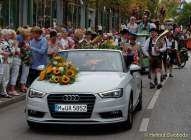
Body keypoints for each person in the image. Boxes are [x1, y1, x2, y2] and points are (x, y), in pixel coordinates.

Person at [142, 24, 166, 89]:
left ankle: (158, 83)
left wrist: (159, 50)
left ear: (156, 33)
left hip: (158, 57)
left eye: (153, 32)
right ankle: (152, 83)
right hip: (151, 57)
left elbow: (164, 48)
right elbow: (144, 49)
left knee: (158, 69)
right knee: (152, 70)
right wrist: (148, 55)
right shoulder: (149, 40)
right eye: (151, 32)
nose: (152, 33)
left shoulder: (160, 39)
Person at [0, 29, 14, 98]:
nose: (9, 36)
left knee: (6, 77)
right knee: (4, 77)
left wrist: (9, 53)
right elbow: (3, 52)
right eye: (8, 35)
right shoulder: (2, 42)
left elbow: (10, 51)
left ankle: (4, 91)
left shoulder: (7, 42)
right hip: (4, 61)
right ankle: (3, 92)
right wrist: (7, 53)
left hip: (8, 60)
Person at [8, 29, 21, 96]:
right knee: (14, 75)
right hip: (15, 59)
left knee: (8, 75)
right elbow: (16, 52)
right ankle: (12, 90)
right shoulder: (14, 42)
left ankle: (9, 89)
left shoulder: (8, 41)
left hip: (10, 59)